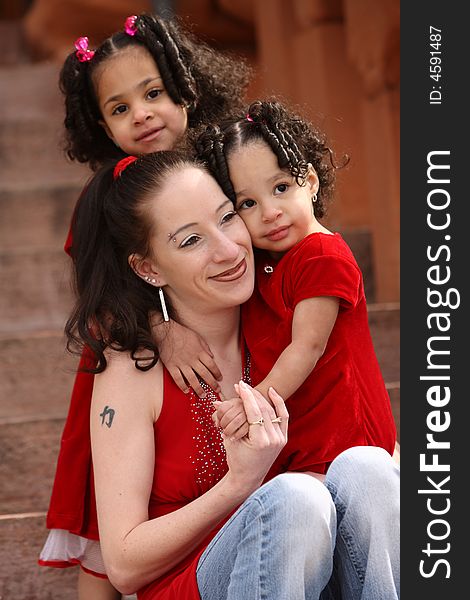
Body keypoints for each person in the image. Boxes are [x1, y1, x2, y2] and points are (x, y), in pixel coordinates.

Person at [65, 150, 399, 599]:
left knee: (368, 468)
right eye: (190, 241)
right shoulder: (132, 372)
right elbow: (124, 565)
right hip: (196, 584)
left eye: (227, 217)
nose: (228, 250)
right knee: (294, 501)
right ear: (149, 268)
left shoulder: (289, 330)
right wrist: (240, 483)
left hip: (309, 575)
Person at [38, 12, 252, 597]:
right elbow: (100, 301)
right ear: (101, 126)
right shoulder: (110, 198)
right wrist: (161, 332)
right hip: (129, 357)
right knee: (107, 533)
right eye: (120, 109)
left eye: (153, 93)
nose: (143, 114)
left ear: (185, 84)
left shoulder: (226, 161)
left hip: (230, 345)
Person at [192, 99, 397, 478]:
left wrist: (254, 402)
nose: (270, 212)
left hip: (344, 435)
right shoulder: (261, 263)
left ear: (312, 182)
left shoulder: (322, 254)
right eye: (247, 203)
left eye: (282, 187)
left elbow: (307, 345)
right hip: (301, 430)